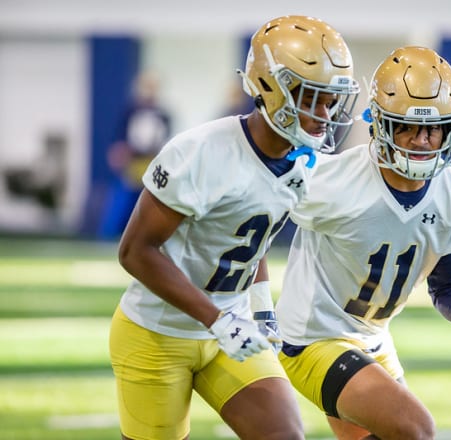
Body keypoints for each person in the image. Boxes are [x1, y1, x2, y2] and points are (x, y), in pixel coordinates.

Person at [108, 15, 360, 440]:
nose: (325, 114)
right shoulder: (201, 151)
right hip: (157, 333)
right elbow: (135, 251)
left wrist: (260, 306)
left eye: (331, 100)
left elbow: (250, 237)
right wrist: (217, 319)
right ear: (271, 88)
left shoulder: (302, 161)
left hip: (232, 325)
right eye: (313, 98)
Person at [275, 46, 451, 440]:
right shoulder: (335, 181)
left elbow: (450, 287)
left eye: (434, 128)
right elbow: (258, 214)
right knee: (415, 429)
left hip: (372, 340)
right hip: (314, 337)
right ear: (380, 123)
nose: (422, 141)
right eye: (408, 126)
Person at [98, 70, 172, 240]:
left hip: (151, 160)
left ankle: (149, 235)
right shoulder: (130, 110)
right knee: (123, 199)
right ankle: (109, 235)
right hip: (132, 160)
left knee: (150, 199)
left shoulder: (163, 113)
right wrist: (118, 152)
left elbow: (166, 138)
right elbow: (120, 136)